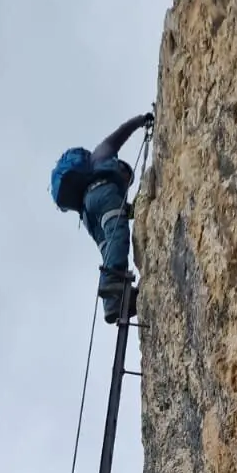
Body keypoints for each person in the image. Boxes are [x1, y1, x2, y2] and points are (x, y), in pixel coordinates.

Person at [51, 112, 153, 322]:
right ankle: (112, 285)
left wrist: (144, 206)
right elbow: (121, 134)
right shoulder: (103, 156)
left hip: (88, 214)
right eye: (128, 178)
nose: (127, 182)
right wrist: (141, 120)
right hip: (101, 195)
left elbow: (127, 213)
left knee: (109, 246)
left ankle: (113, 303)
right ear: (121, 167)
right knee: (118, 236)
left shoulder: (96, 174)